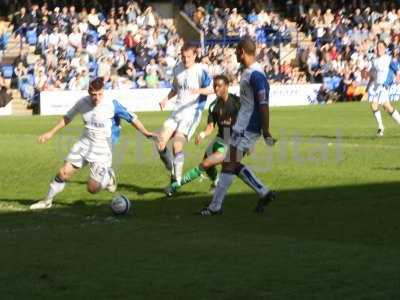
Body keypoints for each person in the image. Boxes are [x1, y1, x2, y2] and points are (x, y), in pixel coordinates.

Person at [30, 77, 155, 210]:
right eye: (94, 95)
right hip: (84, 144)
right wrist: (51, 133)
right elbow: (67, 118)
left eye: (100, 94)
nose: (97, 98)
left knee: (92, 188)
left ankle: (109, 176)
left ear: (103, 91)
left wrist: (146, 132)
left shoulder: (112, 104)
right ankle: (47, 201)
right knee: (63, 173)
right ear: (89, 92)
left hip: (102, 149)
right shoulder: (82, 103)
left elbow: (132, 118)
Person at [199, 37, 276, 216]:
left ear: (242, 51)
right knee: (232, 163)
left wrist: (265, 130)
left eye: (236, 51)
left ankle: (215, 207)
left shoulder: (256, 75)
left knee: (229, 164)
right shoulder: (248, 72)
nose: (235, 54)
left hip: (249, 127)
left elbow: (263, 104)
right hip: (242, 126)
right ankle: (263, 192)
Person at [165, 74, 240, 196]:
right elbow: (211, 127)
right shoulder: (213, 106)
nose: (216, 89)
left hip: (233, 142)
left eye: (219, 86)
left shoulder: (237, 103)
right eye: (215, 86)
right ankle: (216, 182)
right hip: (220, 139)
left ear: (227, 86)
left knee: (205, 164)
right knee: (208, 165)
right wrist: (203, 134)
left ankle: (174, 186)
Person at [157, 43, 212, 188]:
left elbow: (213, 88)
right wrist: (166, 99)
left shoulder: (201, 70)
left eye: (188, 56)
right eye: (183, 56)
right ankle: (172, 168)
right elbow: (175, 89)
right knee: (160, 142)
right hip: (177, 111)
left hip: (192, 112)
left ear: (195, 55)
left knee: (177, 145)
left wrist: (199, 90)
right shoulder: (177, 68)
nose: (186, 59)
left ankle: (176, 180)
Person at [368, 41, 400, 137]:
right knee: (387, 107)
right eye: (378, 47)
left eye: (381, 47)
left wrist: (398, 77)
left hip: (384, 86)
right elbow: (373, 75)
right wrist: (368, 85)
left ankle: (381, 127)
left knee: (374, 105)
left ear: (385, 49)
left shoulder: (388, 59)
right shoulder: (374, 61)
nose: (379, 49)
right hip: (377, 87)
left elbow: (396, 69)